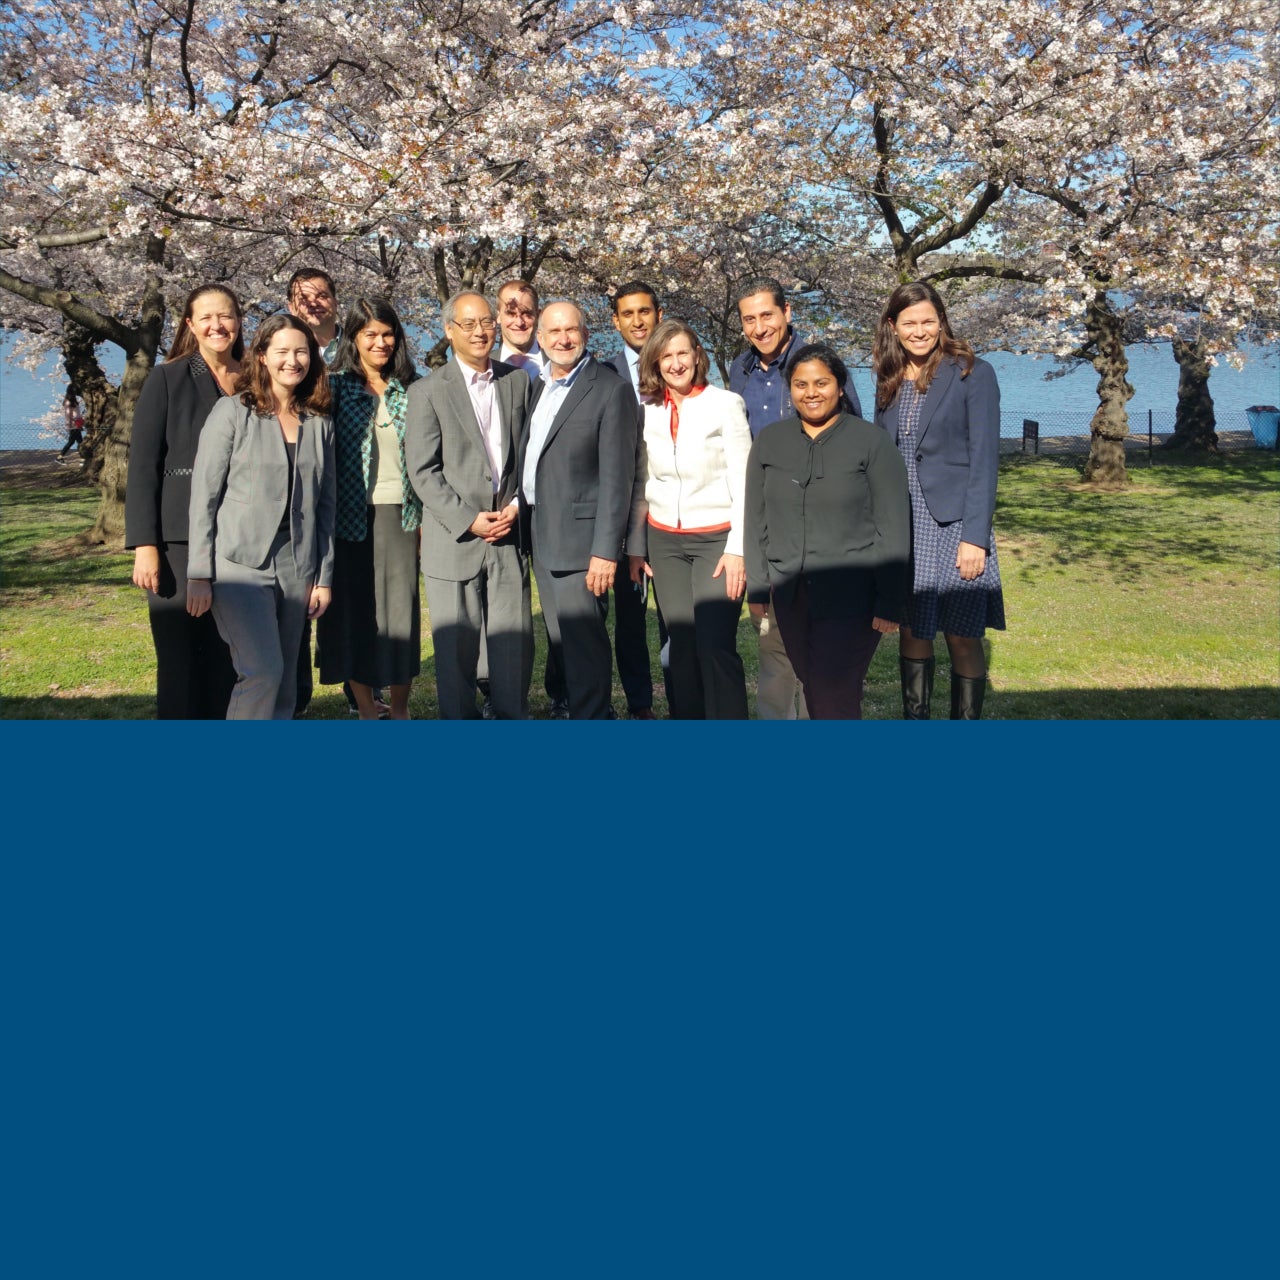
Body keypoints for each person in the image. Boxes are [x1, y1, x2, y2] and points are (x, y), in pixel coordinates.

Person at [744, 344, 910, 719]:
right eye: (801, 384)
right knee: (813, 685)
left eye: (822, 382)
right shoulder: (770, 442)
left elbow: (893, 525)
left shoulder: (871, 443)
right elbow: (756, 517)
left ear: (839, 386)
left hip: (852, 595)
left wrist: (889, 600)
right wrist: (758, 587)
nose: (811, 392)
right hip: (790, 593)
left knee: (831, 689)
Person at [187, 314, 336, 720]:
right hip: (239, 565)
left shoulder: (319, 421)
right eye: (283, 351)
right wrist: (199, 572)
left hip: (297, 566)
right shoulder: (233, 413)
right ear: (263, 356)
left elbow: (326, 506)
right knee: (262, 672)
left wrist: (323, 577)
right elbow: (205, 497)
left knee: (286, 678)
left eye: (301, 352)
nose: (293, 361)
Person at [730, 275, 863, 721]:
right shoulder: (739, 371)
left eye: (767, 315)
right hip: (768, 525)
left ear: (787, 313)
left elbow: (855, 436)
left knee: (820, 650)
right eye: (749, 319)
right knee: (773, 647)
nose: (759, 327)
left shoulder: (818, 365)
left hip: (821, 529)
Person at [872, 281, 1007, 719]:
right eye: (909, 322)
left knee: (962, 635)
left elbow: (985, 460)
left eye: (928, 321)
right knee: (912, 630)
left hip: (953, 527)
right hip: (904, 526)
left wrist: (976, 538)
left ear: (941, 322)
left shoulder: (972, 372)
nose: (919, 330)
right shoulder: (888, 378)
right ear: (893, 326)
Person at [405, 291, 533, 718]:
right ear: (449, 331)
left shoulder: (518, 381)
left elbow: (529, 456)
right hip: (454, 539)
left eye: (487, 323)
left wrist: (517, 504)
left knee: (513, 648)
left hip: (507, 534)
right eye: (469, 324)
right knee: (455, 655)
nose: (481, 332)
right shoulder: (426, 391)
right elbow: (422, 470)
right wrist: (468, 519)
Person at [124, 283, 240, 719]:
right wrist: (145, 545)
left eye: (225, 315)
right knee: (179, 659)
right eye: (206, 317)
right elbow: (142, 466)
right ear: (190, 325)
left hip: (238, 541)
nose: (217, 325)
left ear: (239, 320)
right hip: (177, 541)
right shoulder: (167, 377)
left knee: (228, 658)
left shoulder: (253, 377)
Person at [517, 300, 638, 719]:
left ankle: (594, 717)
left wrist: (606, 551)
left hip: (584, 544)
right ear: (541, 339)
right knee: (561, 641)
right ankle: (574, 711)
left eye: (571, 331)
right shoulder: (538, 385)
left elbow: (618, 478)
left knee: (584, 647)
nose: (563, 339)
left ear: (586, 335)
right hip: (542, 535)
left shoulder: (610, 389)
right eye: (553, 333)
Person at [627, 319, 750, 719]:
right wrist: (637, 546)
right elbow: (642, 481)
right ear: (655, 362)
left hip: (717, 540)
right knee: (679, 647)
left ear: (698, 356)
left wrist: (738, 549)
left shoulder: (725, 404)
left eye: (683, 353)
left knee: (714, 645)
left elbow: (744, 481)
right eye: (666, 356)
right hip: (665, 543)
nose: (676, 363)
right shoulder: (649, 410)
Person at [318, 297, 422, 720]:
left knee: (401, 618)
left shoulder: (414, 386)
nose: (380, 343)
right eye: (370, 335)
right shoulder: (332, 386)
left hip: (401, 514)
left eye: (387, 334)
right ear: (353, 338)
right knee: (350, 615)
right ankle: (365, 706)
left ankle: (399, 708)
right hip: (346, 518)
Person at [285, 265, 374, 716]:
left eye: (321, 294)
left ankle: (362, 687)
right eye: (303, 297)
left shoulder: (357, 347)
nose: (312, 303)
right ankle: (297, 695)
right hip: (299, 493)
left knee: (356, 599)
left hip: (357, 494)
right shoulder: (287, 350)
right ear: (289, 305)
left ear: (336, 300)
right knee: (299, 597)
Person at [600, 279, 671, 719]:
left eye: (644, 311)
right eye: (628, 313)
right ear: (615, 321)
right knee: (629, 619)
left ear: (658, 314)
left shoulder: (679, 362)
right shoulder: (603, 374)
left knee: (676, 618)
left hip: (673, 512)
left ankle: (685, 699)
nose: (637, 321)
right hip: (625, 514)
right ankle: (640, 705)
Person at [57, 387, 84, 462]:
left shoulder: (74, 401)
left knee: (78, 442)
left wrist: (80, 423)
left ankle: (83, 458)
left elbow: (77, 413)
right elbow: (68, 415)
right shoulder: (68, 402)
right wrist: (70, 426)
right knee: (76, 442)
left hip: (77, 424)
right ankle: (59, 457)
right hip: (73, 425)